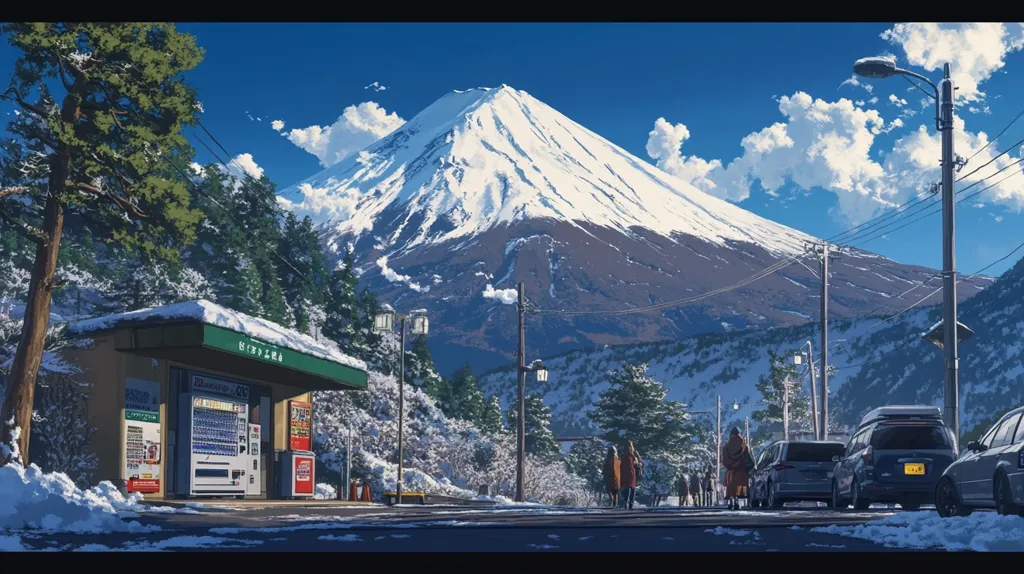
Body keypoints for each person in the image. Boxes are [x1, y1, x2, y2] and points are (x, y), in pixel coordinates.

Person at [720, 427, 752, 511]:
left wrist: (729, 466)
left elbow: (724, 461)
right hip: (741, 470)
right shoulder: (743, 445)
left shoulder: (726, 446)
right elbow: (748, 458)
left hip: (731, 470)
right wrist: (749, 467)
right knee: (740, 487)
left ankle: (731, 501)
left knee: (731, 486)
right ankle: (738, 501)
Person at [620, 440, 642, 510]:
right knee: (632, 488)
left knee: (627, 488)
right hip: (632, 473)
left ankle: (626, 502)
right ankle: (630, 505)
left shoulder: (624, 455)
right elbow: (637, 464)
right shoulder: (633, 455)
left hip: (625, 473)